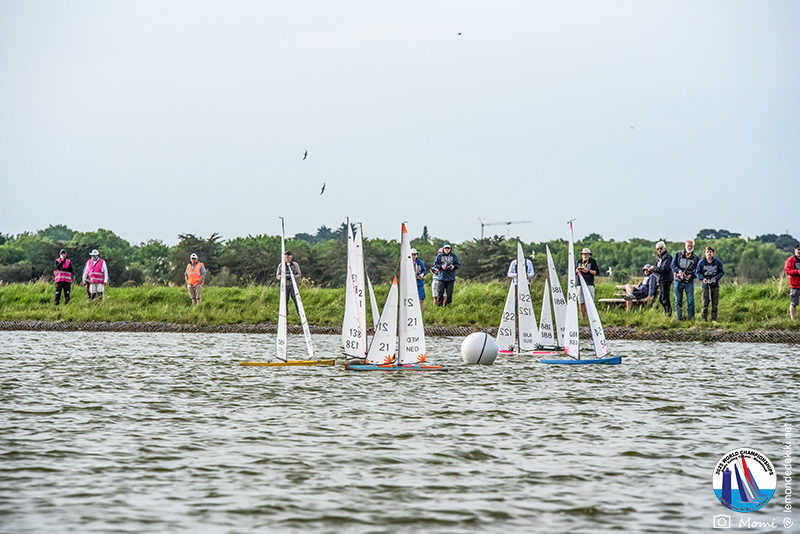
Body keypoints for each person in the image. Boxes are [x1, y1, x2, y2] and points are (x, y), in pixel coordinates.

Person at [671, 239, 700, 320]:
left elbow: (698, 270)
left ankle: (691, 319)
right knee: (678, 301)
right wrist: (679, 271)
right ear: (685, 246)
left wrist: (692, 275)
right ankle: (679, 319)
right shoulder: (678, 254)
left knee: (690, 301)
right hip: (678, 280)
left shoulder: (696, 258)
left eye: (691, 246)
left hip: (689, 282)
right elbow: (672, 265)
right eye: (688, 245)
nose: (690, 247)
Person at [695, 246, 724, 322]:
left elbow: (721, 272)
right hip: (705, 286)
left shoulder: (717, 262)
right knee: (705, 303)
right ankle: (704, 320)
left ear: (713, 253)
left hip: (715, 285)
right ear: (705, 253)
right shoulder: (701, 262)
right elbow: (697, 273)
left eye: (710, 252)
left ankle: (713, 319)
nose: (709, 253)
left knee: (715, 304)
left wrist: (716, 278)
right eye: (707, 252)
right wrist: (702, 279)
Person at [575, 247, 599, 319]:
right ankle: (583, 317)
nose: (585, 255)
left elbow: (596, 272)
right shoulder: (579, 261)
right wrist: (577, 270)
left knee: (590, 301)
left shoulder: (592, 261)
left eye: (586, 254)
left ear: (589, 255)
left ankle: (591, 317)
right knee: (581, 301)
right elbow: (575, 271)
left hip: (589, 283)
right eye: (583, 254)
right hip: (580, 284)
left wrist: (588, 270)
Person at [653, 241, 673, 316]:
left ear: (664, 248)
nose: (659, 250)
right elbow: (658, 269)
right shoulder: (660, 258)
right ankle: (667, 313)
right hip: (661, 279)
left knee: (664, 298)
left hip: (666, 279)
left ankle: (668, 314)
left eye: (661, 248)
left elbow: (664, 268)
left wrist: (654, 268)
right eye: (657, 249)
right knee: (661, 299)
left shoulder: (667, 257)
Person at [785, 244, 800, 321]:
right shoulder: (790, 260)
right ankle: (793, 320)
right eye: (798, 249)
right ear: (795, 250)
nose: (799, 251)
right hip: (795, 285)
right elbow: (788, 271)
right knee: (793, 303)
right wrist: (797, 272)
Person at [411, 248, 427, 313]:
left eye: (414, 254)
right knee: (412, 299)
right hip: (411, 283)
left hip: (419, 283)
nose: (413, 256)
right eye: (412, 254)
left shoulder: (420, 262)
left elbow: (424, 270)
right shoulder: (407, 262)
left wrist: (422, 275)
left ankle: (421, 314)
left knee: (421, 299)